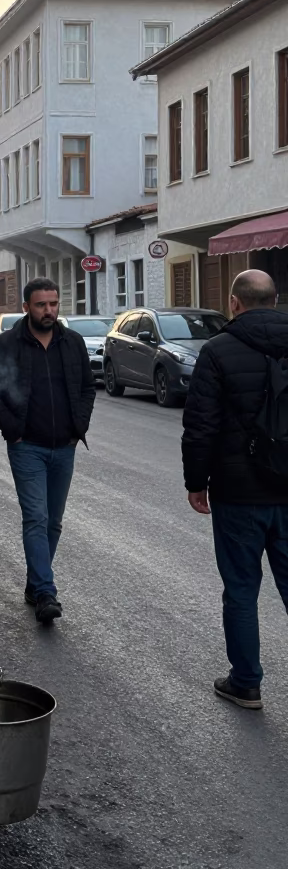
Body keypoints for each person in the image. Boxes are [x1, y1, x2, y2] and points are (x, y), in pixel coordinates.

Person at [182, 269, 288, 710]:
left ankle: (246, 683)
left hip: (238, 491)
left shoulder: (217, 350)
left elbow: (200, 425)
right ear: (275, 299)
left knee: (242, 590)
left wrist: (196, 482)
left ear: (234, 303)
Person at [0, 278, 95, 625]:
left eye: (53, 304)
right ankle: (46, 592)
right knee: (36, 517)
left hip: (64, 447)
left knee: (54, 521)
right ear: (26, 308)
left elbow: (87, 388)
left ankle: (36, 582)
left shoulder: (72, 342)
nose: (49, 311)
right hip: (27, 447)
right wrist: (12, 430)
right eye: (41, 305)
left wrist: (79, 428)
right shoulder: (6, 345)